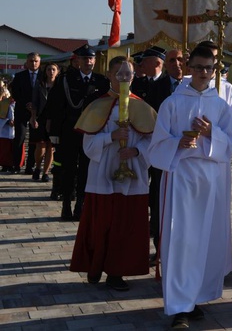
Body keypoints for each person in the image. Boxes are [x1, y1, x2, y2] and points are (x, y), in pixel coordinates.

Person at [147, 46, 232, 329]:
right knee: (182, 240)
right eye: (198, 67)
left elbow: (231, 143)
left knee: (206, 240)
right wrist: (178, 143)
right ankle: (179, 307)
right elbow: (156, 148)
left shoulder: (220, 105)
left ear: (214, 70)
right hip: (182, 177)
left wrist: (212, 134)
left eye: (208, 68)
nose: (203, 73)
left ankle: (195, 296)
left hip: (211, 179)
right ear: (189, 67)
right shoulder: (172, 103)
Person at [69, 56, 157, 291]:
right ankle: (95, 265)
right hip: (103, 177)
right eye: (118, 74)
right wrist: (111, 137)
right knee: (101, 225)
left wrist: (137, 150)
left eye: (127, 74)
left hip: (133, 178)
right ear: (108, 75)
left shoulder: (144, 108)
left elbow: (154, 143)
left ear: (134, 76)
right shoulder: (97, 105)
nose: (123, 78)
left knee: (125, 228)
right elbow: (88, 147)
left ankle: (117, 273)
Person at [45, 45, 110, 220]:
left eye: (91, 59)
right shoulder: (66, 79)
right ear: (78, 61)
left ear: (95, 61)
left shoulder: (101, 82)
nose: (89, 62)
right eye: (85, 59)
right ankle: (66, 204)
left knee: (86, 170)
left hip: (91, 133)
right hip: (69, 132)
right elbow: (57, 106)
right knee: (68, 169)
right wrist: (55, 133)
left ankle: (80, 205)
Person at [144, 48, 184, 259]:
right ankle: (159, 247)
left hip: (187, 156)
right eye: (172, 60)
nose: (177, 64)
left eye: (180, 60)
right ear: (165, 65)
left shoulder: (193, 87)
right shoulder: (156, 88)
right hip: (164, 154)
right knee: (159, 199)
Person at [9, 52, 40, 174]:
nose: (33, 63)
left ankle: (30, 166)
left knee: (34, 139)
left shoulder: (43, 76)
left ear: (39, 62)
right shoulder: (20, 76)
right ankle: (16, 165)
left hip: (37, 112)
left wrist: (34, 105)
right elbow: (15, 92)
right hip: (22, 110)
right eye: (31, 61)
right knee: (20, 137)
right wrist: (26, 103)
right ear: (27, 62)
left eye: (36, 61)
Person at [30, 62, 60, 182]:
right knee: (41, 146)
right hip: (41, 118)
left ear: (57, 71)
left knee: (50, 147)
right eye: (49, 70)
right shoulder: (40, 84)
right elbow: (34, 103)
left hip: (55, 119)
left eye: (53, 69)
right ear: (45, 71)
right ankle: (37, 167)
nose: (51, 72)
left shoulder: (60, 85)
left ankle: (46, 172)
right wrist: (33, 117)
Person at [0, 82, 14, 172]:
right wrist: (7, 121)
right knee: (5, 148)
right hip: (5, 128)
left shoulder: (19, 101)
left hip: (16, 129)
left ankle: (15, 164)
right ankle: (5, 165)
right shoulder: (4, 102)